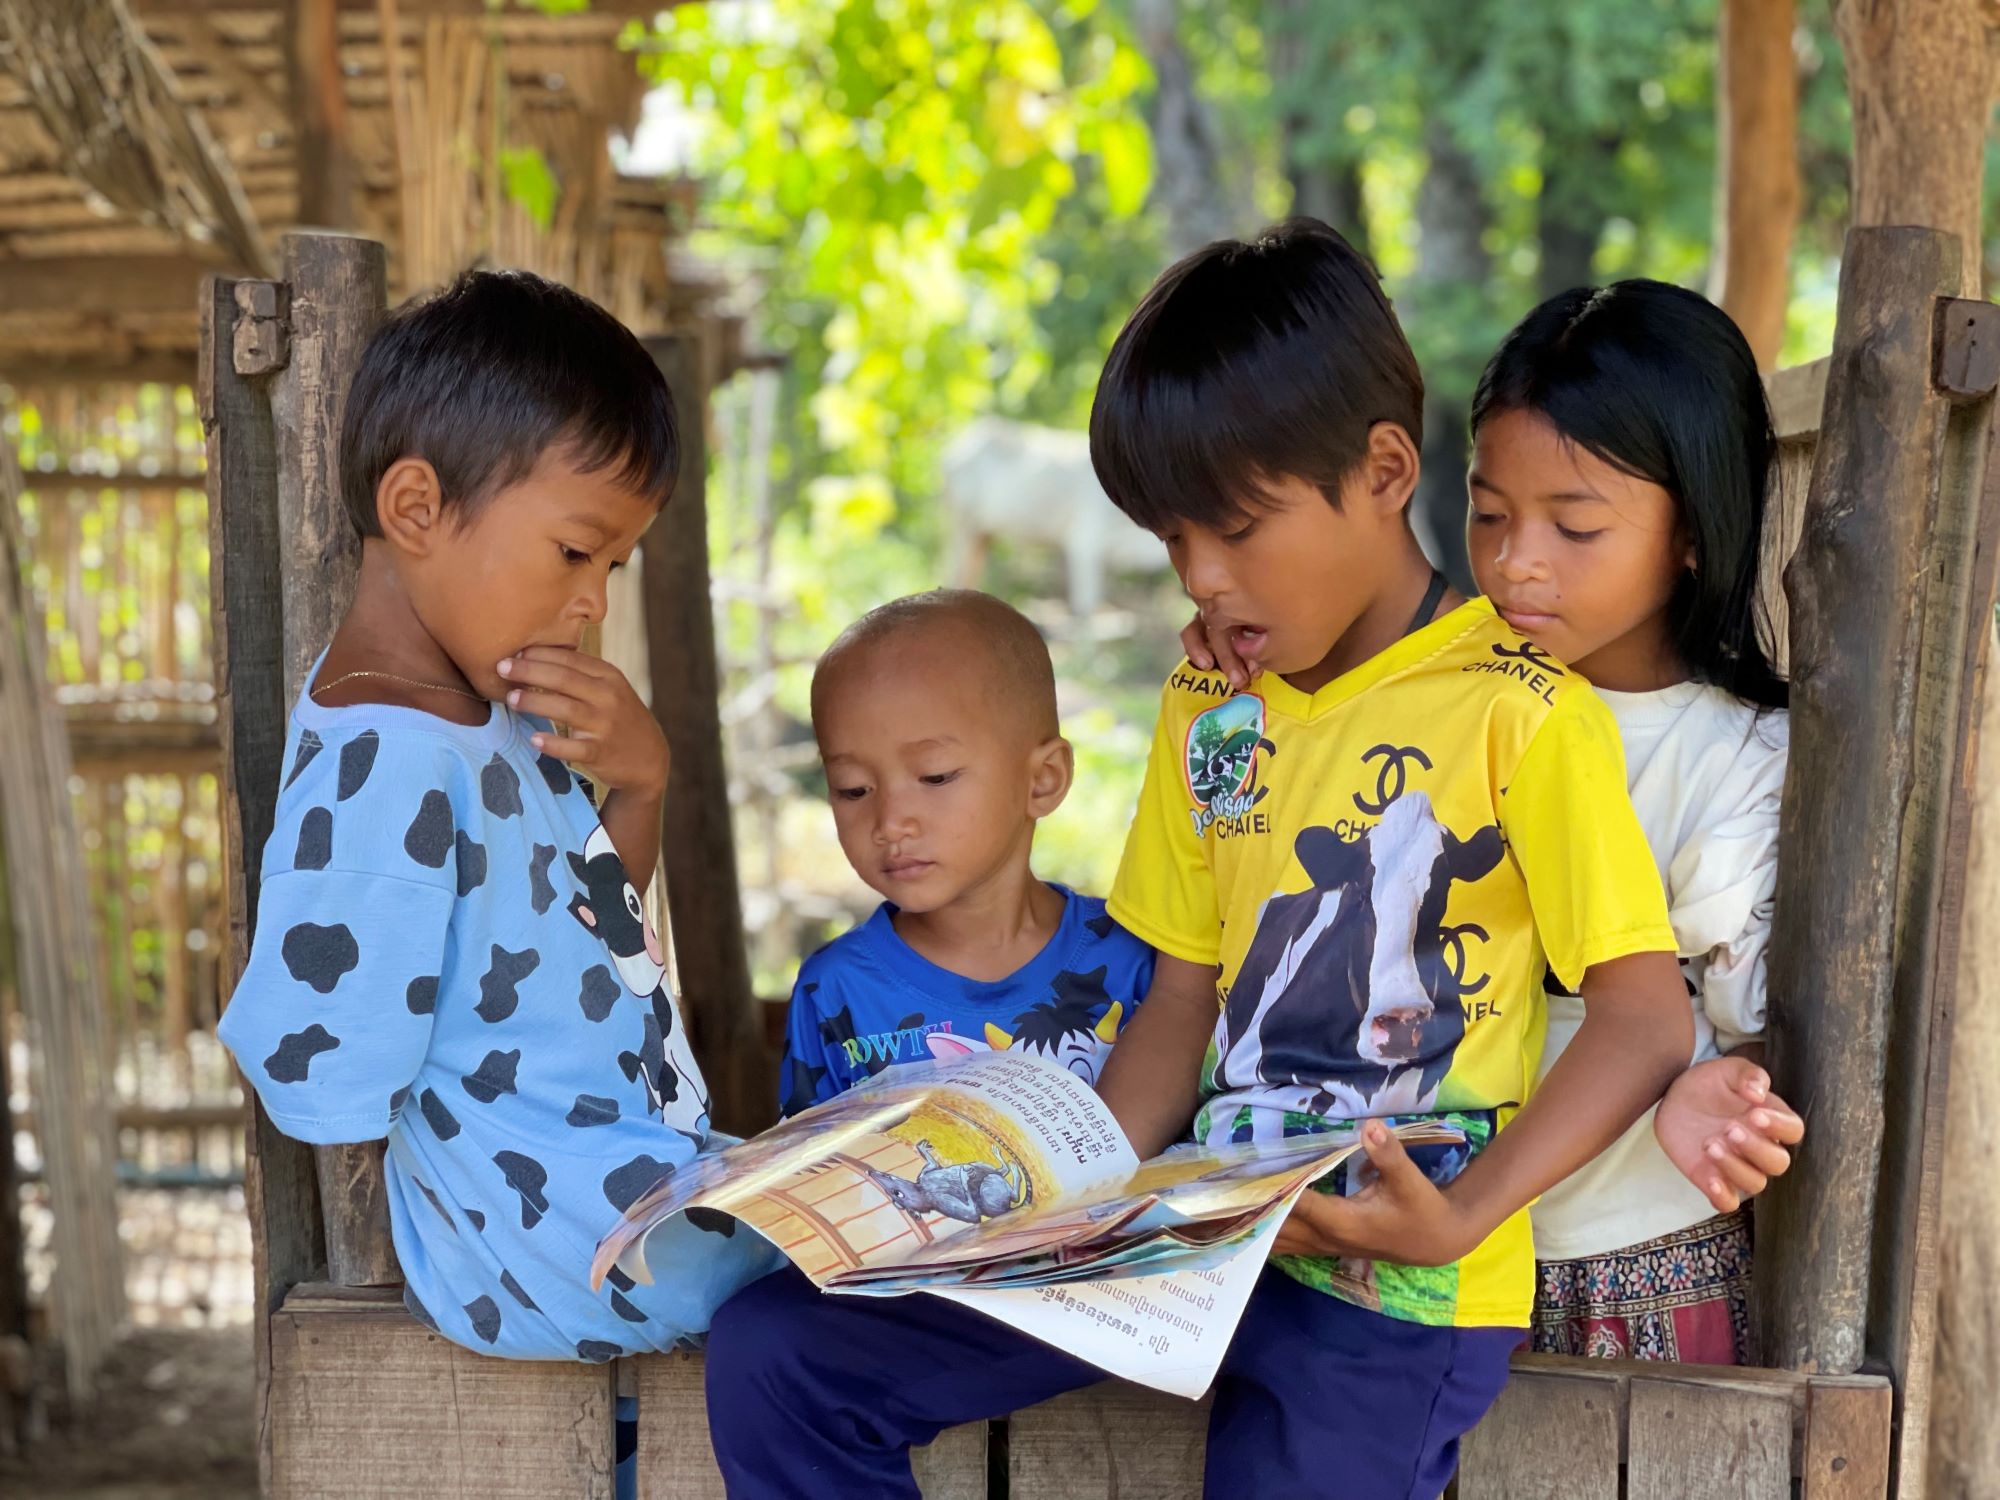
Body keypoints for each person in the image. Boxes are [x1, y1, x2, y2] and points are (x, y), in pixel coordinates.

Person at [702, 219, 1701, 1500]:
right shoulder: (1208, 703)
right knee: (780, 1354)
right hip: (1189, 1237)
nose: (1203, 577)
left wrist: (1457, 1215)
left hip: (1388, 1277)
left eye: (1234, 529)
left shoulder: (1519, 709)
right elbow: (1179, 998)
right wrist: (1047, 1215)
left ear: (1385, 470)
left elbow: (1641, 1019)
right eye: (1174, 542)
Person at [1186, 279, 1806, 1365]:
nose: (1517, 560)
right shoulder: (1429, 696)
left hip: (1618, 1273)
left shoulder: (1729, 759)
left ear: (1693, 535)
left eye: (1573, 527)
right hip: (1398, 1281)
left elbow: (1759, 1023)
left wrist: (1705, 1075)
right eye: (1488, 513)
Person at [215, 269, 782, 1361]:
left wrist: (640, 786)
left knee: (847, 1223)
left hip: (611, 1183)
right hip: (541, 1241)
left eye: (614, 565)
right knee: (854, 1262)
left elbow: (602, 944)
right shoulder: (388, 755)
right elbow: (312, 1062)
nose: (593, 600)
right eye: (576, 551)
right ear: (416, 508)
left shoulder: (491, 717)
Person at [777, 589, 1152, 1116]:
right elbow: (807, 1177)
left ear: (1042, 781)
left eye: (935, 777)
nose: (890, 823)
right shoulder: (836, 990)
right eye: (853, 788)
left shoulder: (1133, 961)